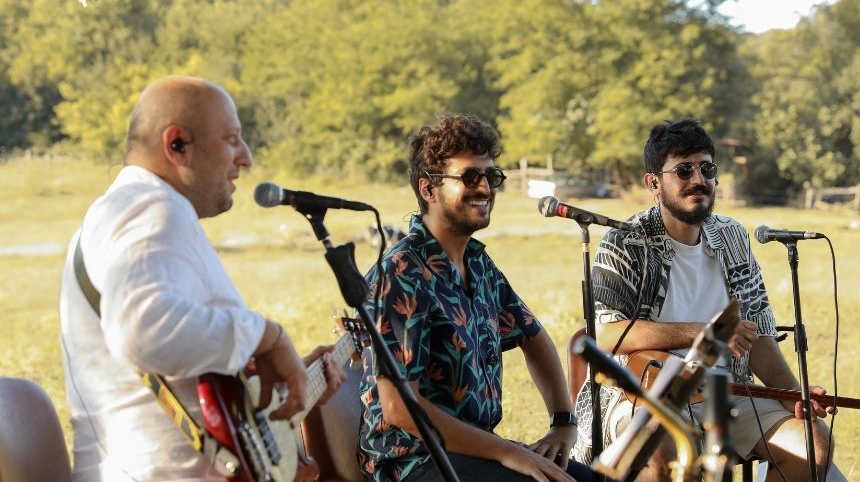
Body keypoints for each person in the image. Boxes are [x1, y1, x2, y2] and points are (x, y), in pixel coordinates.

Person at [59, 75, 345, 480]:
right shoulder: (152, 209)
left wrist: (288, 383)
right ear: (177, 144)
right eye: (232, 138)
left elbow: (186, 371)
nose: (245, 157)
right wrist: (269, 335)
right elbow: (145, 330)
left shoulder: (124, 211)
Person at [572, 118, 843, 481]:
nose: (698, 179)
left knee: (814, 445)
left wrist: (791, 392)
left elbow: (759, 335)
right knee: (660, 453)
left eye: (707, 168)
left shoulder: (732, 237)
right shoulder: (625, 242)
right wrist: (705, 332)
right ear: (654, 183)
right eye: (683, 170)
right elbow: (606, 335)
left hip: (725, 391)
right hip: (643, 396)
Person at [356, 114, 595, 482]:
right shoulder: (401, 273)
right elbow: (399, 407)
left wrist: (563, 421)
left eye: (491, 176)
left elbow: (532, 335)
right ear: (428, 189)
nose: (484, 187)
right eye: (469, 176)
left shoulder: (477, 264)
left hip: (474, 451)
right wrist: (505, 451)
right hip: (414, 464)